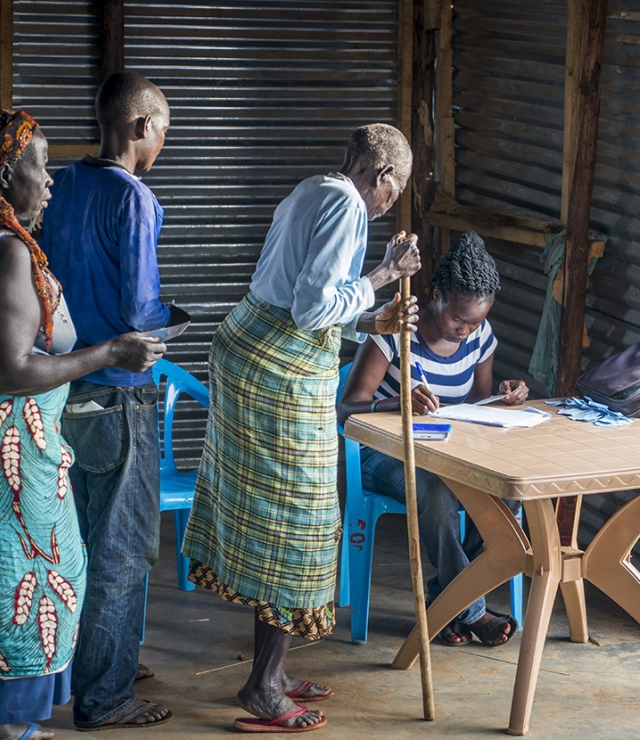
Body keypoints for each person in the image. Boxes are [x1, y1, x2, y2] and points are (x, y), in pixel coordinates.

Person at [0, 108, 165, 740]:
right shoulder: (4, 254)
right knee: (20, 588)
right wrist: (112, 353)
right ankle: (6, 728)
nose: (51, 181)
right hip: (9, 458)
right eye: (42, 166)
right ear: (5, 174)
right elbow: (8, 370)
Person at [181, 123, 420, 733]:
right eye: (399, 187)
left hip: (256, 349)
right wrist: (383, 277)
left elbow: (304, 299)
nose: (393, 201)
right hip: (277, 372)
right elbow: (314, 308)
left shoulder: (315, 188)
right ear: (383, 173)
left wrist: (373, 317)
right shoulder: (347, 204)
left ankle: (274, 672)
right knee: (300, 525)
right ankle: (262, 684)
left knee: (279, 519)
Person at [37, 71, 174, 731]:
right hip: (121, 392)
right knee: (121, 548)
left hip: (68, 383)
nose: (162, 146)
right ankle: (105, 696)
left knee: (81, 541)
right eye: (164, 132)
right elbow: (138, 308)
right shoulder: (135, 198)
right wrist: (167, 322)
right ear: (140, 125)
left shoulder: (60, 183)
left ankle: (93, 664)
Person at [337, 231, 529, 646]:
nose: (466, 330)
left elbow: (477, 405)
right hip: (381, 451)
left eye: (475, 321)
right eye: (458, 319)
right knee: (436, 492)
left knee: (507, 495)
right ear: (437, 295)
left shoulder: (480, 336)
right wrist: (398, 402)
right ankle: (473, 612)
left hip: (444, 450)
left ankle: (445, 601)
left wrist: (506, 397)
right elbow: (348, 409)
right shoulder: (394, 328)